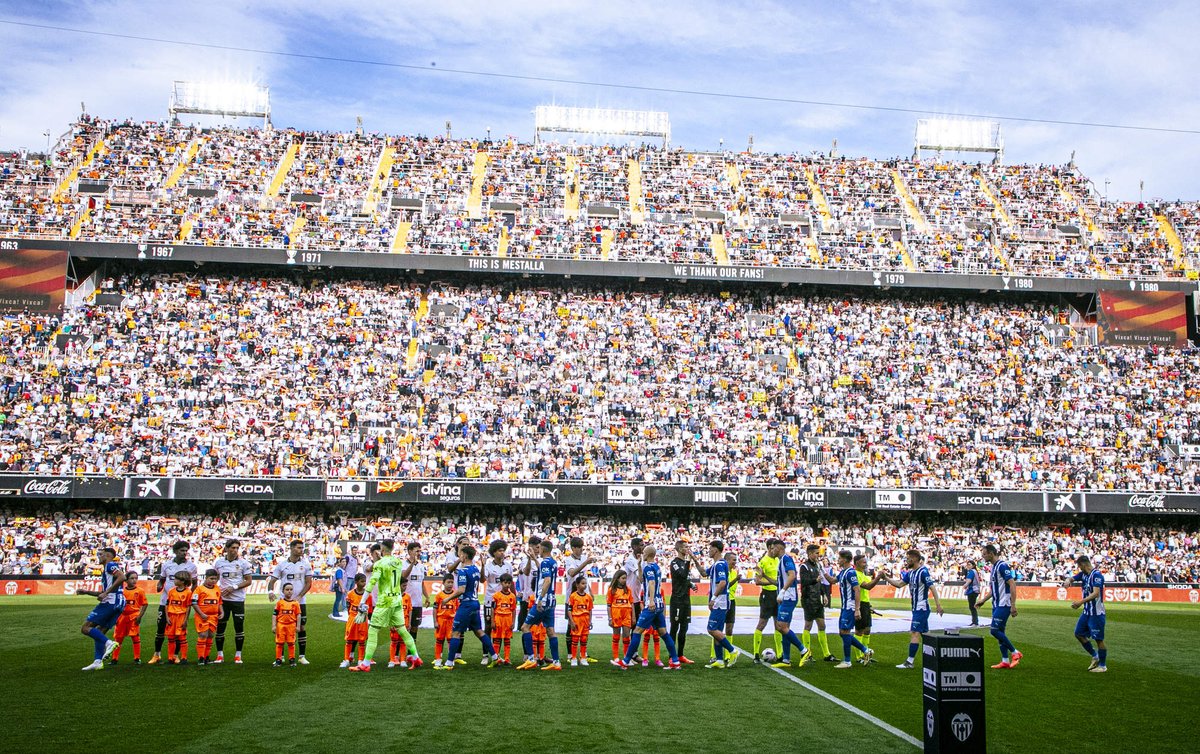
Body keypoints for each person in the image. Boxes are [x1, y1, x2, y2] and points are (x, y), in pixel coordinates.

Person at [349, 539, 423, 672]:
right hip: (397, 600)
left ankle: (365, 663)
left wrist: (362, 601)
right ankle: (416, 657)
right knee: (402, 630)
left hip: (385, 601)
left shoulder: (379, 564)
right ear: (392, 548)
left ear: (382, 549)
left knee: (373, 631)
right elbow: (390, 570)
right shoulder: (398, 562)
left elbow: (372, 582)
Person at [615, 545, 681, 670]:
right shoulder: (655, 566)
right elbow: (641, 580)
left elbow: (651, 582)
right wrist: (639, 565)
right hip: (659, 604)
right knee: (663, 633)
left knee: (637, 631)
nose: (642, 553)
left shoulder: (649, 567)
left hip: (651, 605)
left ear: (649, 554)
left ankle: (626, 660)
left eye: (644, 552)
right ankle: (675, 661)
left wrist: (650, 601)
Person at [436, 544, 499, 670]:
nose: (460, 556)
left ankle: (449, 663)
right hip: (475, 603)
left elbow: (461, 589)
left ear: (464, 556)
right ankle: (495, 657)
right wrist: (482, 565)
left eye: (460, 554)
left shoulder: (463, 571)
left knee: (456, 632)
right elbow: (482, 580)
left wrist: (447, 599)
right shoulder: (475, 569)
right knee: (479, 631)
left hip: (466, 604)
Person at [881, 549, 943, 669]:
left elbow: (932, 588)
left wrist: (938, 605)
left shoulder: (923, 572)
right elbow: (899, 584)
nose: (907, 560)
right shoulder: (911, 573)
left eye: (908, 558)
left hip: (921, 608)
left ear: (915, 559)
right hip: (916, 608)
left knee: (914, 633)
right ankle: (937, 658)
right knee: (926, 634)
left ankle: (909, 662)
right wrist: (886, 578)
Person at [517, 538, 563, 671]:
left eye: (539, 548)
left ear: (543, 549)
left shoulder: (544, 563)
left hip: (543, 602)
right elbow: (543, 571)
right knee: (550, 631)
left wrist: (539, 599)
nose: (538, 550)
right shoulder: (553, 562)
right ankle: (556, 662)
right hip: (551, 601)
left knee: (525, 627)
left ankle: (531, 659)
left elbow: (547, 580)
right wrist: (534, 559)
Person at [77, 546, 124, 671]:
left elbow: (122, 577)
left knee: (86, 628)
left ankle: (109, 643)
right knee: (99, 632)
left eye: (101, 554)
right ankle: (98, 661)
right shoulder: (107, 570)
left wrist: (106, 593)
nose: (99, 556)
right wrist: (86, 591)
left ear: (107, 556)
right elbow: (104, 592)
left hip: (111, 601)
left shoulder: (110, 565)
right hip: (118, 603)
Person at [150, 540, 197, 665]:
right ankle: (157, 655)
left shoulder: (191, 566)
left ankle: (175, 656)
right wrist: (159, 586)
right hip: (166, 602)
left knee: (178, 632)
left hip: (180, 605)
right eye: (182, 550)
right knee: (160, 629)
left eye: (186, 550)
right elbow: (162, 580)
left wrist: (188, 595)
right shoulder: (166, 565)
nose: (184, 553)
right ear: (175, 551)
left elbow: (195, 583)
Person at [267, 539, 314, 665]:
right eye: (299, 547)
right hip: (283, 602)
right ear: (292, 548)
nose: (301, 550)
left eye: (302, 547)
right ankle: (280, 656)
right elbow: (272, 581)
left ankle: (301, 656)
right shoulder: (281, 565)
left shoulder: (306, 564)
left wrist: (300, 596)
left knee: (302, 627)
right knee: (282, 627)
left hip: (300, 602)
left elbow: (309, 583)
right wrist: (270, 592)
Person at [978, 544, 1022, 669]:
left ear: (991, 553)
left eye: (984, 554)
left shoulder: (1002, 566)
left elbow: (1012, 584)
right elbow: (994, 590)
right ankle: (1005, 660)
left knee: (994, 630)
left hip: (1004, 603)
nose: (983, 556)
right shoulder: (994, 567)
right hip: (997, 604)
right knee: (1000, 631)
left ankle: (1015, 652)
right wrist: (983, 600)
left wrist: (1013, 604)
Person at [768, 539, 811, 668]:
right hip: (785, 596)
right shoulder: (782, 560)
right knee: (784, 627)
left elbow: (792, 576)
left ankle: (804, 650)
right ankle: (786, 659)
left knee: (781, 626)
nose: (772, 550)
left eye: (773, 548)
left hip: (788, 596)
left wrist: (782, 591)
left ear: (780, 548)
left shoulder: (786, 559)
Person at [1063, 555, 1107, 672]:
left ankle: (1102, 666)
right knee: (1078, 633)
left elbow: (1096, 593)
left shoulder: (1096, 575)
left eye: (1079, 566)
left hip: (1096, 613)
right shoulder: (1084, 575)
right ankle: (1095, 655)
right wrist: (1068, 580)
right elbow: (1072, 578)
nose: (1079, 569)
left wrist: (1080, 602)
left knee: (1098, 639)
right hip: (1087, 612)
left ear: (1083, 564)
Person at [212, 539, 253, 664]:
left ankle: (238, 655)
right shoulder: (219, 563)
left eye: (237, 548)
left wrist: (234, 587)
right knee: (220, 627)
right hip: (223, 600)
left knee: (238, 627)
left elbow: (248, 580)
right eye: (233, 548)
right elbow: (215, 578)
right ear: (226, 548)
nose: (235, 550)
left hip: (238, 600)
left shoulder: (244, 563)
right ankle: (220, 655)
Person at [833, 551, 874, 669]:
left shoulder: (850, 573)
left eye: (840, 558)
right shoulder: (843, 572)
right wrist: (821, 570)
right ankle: (865, 650)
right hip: (845, 606)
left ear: (845, 560)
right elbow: (832, 580)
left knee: (845, 632)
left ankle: (847, 661)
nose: (838, 560)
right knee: (842, 632)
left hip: (850, 606)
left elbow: (857, 590)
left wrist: (857, 609)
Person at [562, 536, 598, 664]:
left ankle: (584, 654)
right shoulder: (568, 560)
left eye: (582, 547)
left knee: (584, 625)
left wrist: (590, 591)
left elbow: (584, 578)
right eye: (578, 547)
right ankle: (570, 654)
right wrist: (585, 563)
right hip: (572, 597)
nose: (581, 550)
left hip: (585, 597)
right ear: (573, 548)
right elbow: (572, 573)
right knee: (571, 625)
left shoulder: (583, 558)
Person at [704, 540, 740, 669]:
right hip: (721, 600)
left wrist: (713, 598)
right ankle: (719, 660)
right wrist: (693, 558)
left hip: (720, 601)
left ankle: (732, 651)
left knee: (711, 629)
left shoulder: (719, 565)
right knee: (717, 631)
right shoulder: (716, 565)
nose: (709, 551)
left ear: (716, 550)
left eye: (710, 548)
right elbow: (704, 573)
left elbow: (723, 582)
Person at [622, 536, 656, 665]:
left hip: (636, 598)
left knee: (636, 627)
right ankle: (628, 655)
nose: (643, 547)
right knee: (631, 627)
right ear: (634, 547)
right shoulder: (631, 560)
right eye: (641, 545)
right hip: (629, 599)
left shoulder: (641, 560)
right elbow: (641, 578)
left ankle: (633, 654)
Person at [800, 543, 835, 662]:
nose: (818, 555)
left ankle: (827, 654)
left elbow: (819, 583)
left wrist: (824, 594)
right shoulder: (804, 566)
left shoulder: (818, 566)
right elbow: (804, 582)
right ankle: (807, 653)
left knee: (822, 625)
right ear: (810, 554)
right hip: (808, 599)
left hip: (817, 599)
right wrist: (815, 580)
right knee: (808, 626)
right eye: (816, 553)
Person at [669, 540, 701, 665]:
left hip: (686, 600)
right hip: (677, 600)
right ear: (679, 549)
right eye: (685, 547)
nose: (688, 549)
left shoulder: (685, 563)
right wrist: (688, 560)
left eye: (688, 546)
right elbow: (681, 575)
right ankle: (672, 656)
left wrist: (691, 584)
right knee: (674, 628)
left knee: (684, 628)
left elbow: (685, 579)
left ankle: (680, 655)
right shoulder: (675, 563)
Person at [752, 542, 784, 663]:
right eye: (775, 547)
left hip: (777, 595)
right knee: (762, 624)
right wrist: (773, 582)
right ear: (770, 548)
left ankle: (780, 654)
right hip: (767, 595)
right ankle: (755, 654)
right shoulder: (763, 562)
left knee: (778, 625)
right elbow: (757, 581)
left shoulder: (778, 560)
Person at [481, 539, 512, 663]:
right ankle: (485, 655)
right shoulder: (488, 566)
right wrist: (482, 566)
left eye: (503, 550)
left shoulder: (508, 566)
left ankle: (498, 655)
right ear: (494, 552)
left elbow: (511, 583)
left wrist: (513, 596)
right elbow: (482, 579)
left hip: (504, 602)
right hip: (490, 601)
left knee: (502, 629)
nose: (502, 553)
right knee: (488, 627)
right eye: (500, 551)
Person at [852, 553, 884, 662]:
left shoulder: (862, 573)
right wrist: (879, 577)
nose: (866, 564)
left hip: (865, 604)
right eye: (864, 562)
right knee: (859, 630)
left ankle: (866, 654)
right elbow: (868, 586)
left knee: (867, 629)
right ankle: (859, 656)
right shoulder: (856, 574)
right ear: (857, 563)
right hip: (860, 604)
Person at [111, 571, 147, 664]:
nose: (134, 580)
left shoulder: (140, 591)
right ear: (126, 580)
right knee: (118, 637)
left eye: (136, 578)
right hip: (122, 616)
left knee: (135, 637)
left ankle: (137, 658)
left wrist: (140, 616)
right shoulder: (121, 591)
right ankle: (114, 658)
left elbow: (145, 604)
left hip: (133, 616)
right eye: (132, 578)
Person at [192, 569, 223, 666]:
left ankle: (206, 657)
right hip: (202, 616)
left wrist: (221, 611)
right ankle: (200, 658)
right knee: (203, 635)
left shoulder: (217, 588)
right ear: (206, 578)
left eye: (215, 579)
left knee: (210, 635)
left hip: (213, 617)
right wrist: (201, 614)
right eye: (211, 578)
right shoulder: (199, 589)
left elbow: (219, 602)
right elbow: (194, 602)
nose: (213, 581)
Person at [401, 541, 430, 648]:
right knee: (403, 627)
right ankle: (399, 653)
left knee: (414, 628)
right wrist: (412, 563)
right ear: (409, 551)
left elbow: (422, 583)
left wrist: (426, 597)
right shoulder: (403, 564)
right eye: (416, 551)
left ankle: (410, 652)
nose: (418, 553)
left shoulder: (422, 566)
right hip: (406, 603)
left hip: (417, 603)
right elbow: (404, 576)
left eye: (419, 551)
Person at [341, 573, 372, 668]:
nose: (364, 583)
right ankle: (346, 660)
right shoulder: (350, 594)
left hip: (363, 620)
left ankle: (360, 660)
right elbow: (348, 606)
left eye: (364, 581)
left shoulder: (368, 595)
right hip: (352, 619)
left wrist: (367, 618)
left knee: (362, 640)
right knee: (349, 639)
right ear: (356, 582)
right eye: (362, 581)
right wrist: (352, 616)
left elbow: (370, 609)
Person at [164, 571, 194, 664]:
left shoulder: (188, 592)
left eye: (176, 579)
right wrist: (167, 617)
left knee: (182, 637)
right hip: (171, 616)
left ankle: (184, 657)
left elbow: (188, 607)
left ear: (182, 581)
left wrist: (185, 620)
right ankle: (170, 657)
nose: (174, 580)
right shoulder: (171, 591)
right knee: (171, 637)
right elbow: (167, 604)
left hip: (181, 616)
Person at [607, 569, 634, 664]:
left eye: (626, 578)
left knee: (627, 636)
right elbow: (609, 605)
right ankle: (616, 657)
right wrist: (610, 618)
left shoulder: (628, 589)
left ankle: (627, 657)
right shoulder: (612, 590)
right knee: (616, 636)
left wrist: (633, 617)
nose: (625, 580)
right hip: (616, 615)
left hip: (626, 615)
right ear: (617, 579)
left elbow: (632, 603)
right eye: (623, 578)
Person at [491, 573, 519, 665]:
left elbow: (514, 610)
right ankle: (496, 658)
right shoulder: (496, 595)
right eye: (505, 583)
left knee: (507, 639)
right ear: (501, 583)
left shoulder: (512, 596)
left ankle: (507, 658)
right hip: (498, 618)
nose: (507, 585)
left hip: (508, 619)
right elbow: (492, 609)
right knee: (497, 639)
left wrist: (513, 622)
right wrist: (492, 621)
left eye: (509, 583)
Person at [273, 583, 301, 667]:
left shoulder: (295, 603)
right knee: (279, 643)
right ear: (283, 591)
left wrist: (298, 626)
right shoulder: (279, 603)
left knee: (291, 643)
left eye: (291, 590)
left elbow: (298, 615)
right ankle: (278, 659)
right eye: (287, 589)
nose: (289, 591)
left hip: (291, 626)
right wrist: (274, 626)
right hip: (281, 625)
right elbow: (274, 614)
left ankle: (292, 659)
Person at [568, 575, 594, 666]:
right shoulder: (573, 596)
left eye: (585, 583)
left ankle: (583, 657)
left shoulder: (588, 597)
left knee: (584, 640)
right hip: (576, 620)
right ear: (577, 585)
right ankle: (574, 658)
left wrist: (590, 621)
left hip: (585, 620)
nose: (585, 585)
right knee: (575, 639)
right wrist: (571, 621)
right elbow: (569, 610)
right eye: (583, 583)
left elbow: (590, 610)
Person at [433, 574, 458, 667]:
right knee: (439, 640)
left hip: (451, 621)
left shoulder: (455, 594)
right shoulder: (439, 595)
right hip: (441, 620)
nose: (450, 584)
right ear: (443, 583)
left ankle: (450, 659)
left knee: (450, 640)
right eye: (448, 582)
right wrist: (435, 621)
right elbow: (435, 609)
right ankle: (438, 659)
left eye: (452, 582)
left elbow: (458, 609)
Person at [388, 591, 415, 668]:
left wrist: (409, 623)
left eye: (405, 585)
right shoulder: (392, 597)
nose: (405, 587)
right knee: (394, 642)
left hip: (404, 622)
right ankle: (392, 660)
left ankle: (403, 660)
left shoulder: (407, 597)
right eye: (403, 586)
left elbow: (410, 610)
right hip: (395, 622)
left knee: (403, 641)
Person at [964, 559, 981, 627]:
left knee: (972, 606)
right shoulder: (975, 571)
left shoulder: (971, 571)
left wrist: (965, 585)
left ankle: (975, 622)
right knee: (972, 606)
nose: (968, 566)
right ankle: (974, 621)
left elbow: (969, 580)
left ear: (973, 565)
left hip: (972, 590)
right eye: (967, 564)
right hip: (975, 590)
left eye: (969, 564)